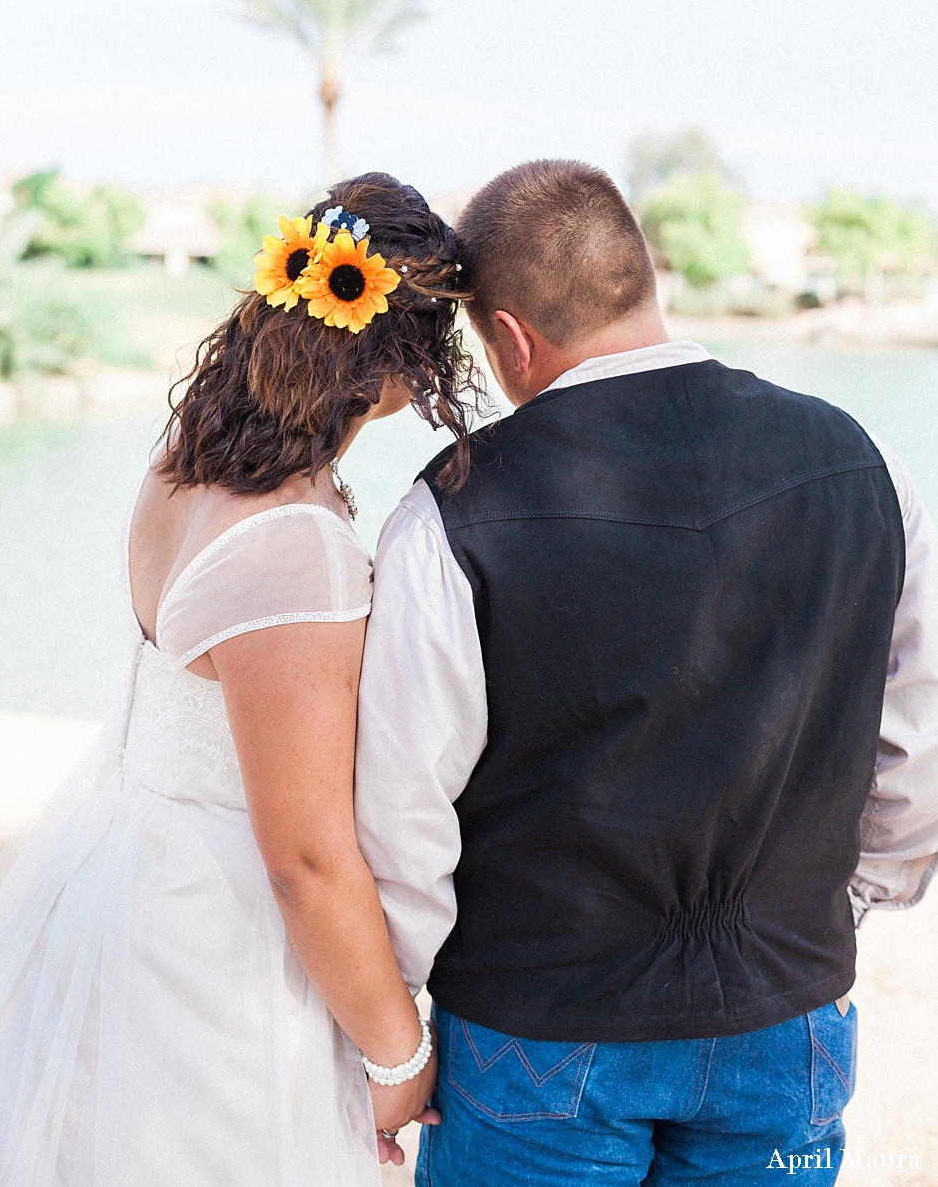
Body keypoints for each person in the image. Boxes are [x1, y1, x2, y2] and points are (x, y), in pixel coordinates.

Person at [355, 159, 938, 1186]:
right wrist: (836, 905)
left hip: (537, 1026)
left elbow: (405, 811)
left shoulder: (448, 512)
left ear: (510, 337)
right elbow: (917, 731)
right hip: (783, 1004)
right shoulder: (869, 466)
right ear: (643, 280)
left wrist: (396, 1022)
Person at [0, 173, 483, 1185]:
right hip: (220, 950)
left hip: (121, 873)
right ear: (398, 359)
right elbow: (305, 858)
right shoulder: (295, 547)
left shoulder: (183, 458)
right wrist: (398, 1055)